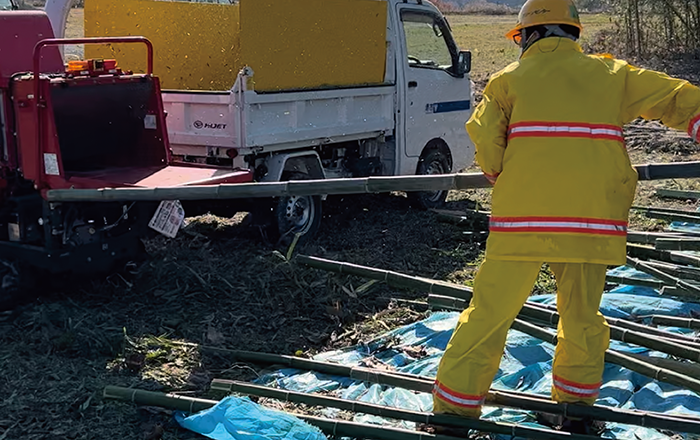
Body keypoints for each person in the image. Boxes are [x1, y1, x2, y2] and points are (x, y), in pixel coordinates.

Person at [432, 0, 700, 434]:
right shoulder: (613, 75)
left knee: (487, 316)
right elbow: (677, 98)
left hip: (521, 223)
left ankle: (452, 416)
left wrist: (503, 172)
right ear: (573, 33)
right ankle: (576, 413)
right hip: (591, 222)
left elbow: (487, 144)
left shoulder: (507, 80)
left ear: (530, 35)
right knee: (582, 320)